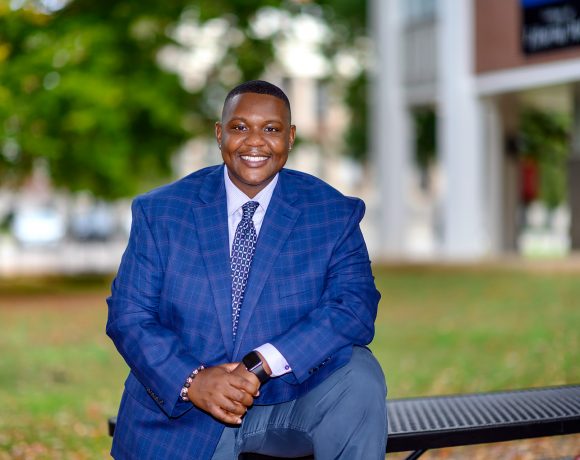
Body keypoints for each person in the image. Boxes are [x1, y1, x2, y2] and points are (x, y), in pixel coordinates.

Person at [106, 80, 387, 460]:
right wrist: (192, 381)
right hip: (184, 413)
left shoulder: (332, 213)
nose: (255, 141)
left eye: (271, 129)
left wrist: (261, 363)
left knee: (359, 375)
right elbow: (129, 315)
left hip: (293, 398)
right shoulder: (161, 212)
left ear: (290, 137)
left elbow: (354, 306)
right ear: (219, 134)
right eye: (240, 127)